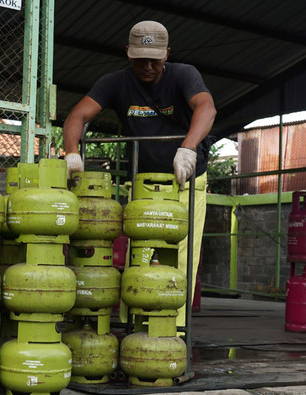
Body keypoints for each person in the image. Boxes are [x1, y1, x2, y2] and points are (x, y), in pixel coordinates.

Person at [62, 20, 217, 332]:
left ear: (166, 54)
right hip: (145, 185)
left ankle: (174, 329)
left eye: (154, 60)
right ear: (128, 54)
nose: (147, 66)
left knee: (181, 254)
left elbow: (206, 107)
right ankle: (135, 324)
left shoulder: (184, 75)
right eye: (140, 59)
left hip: (184, 181)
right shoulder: (114, 83)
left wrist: (187, 148)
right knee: (140, 255)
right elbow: (76, 116)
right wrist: (72, 153)